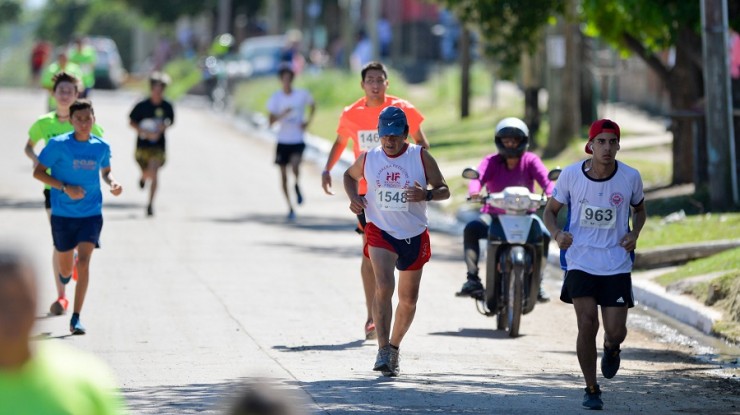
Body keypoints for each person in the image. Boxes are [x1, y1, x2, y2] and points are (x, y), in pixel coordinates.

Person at [321, 61, 430, 340]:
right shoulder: (352, 113)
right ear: (362, 84)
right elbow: (340, 143)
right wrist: (327, 169)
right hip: (369, 195)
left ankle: (384, 317)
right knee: (369, 252)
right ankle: (372, 316)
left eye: (380, 79)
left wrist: (421, 173)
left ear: (387, 83)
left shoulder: (402, 108)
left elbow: (422, 144)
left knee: (398, 261)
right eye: (370, 79)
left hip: (400, 191)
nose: (375, 84)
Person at [542, 119, 646, 410]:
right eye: (601, 142)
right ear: (590, 145)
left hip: (615, 262)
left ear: (618, 146)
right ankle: (591, 388)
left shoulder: (630, 177)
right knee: (587, 323)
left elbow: (640, 211)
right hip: (580, 260)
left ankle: (612, 349)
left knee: (616, 331)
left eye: (613, 142)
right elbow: (550, 211)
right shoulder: (572, 175)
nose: (607, 148)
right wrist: (557, 234)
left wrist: (634, 233)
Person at [343, 106, 450, 377]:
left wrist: (425, 195)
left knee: (409, 299)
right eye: (385, 135)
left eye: (395, 135)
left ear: (405, 134)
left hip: (413, 234)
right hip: (380, 231)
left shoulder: (420, 157)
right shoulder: (369, 158)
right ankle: (382, 351)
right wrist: (355, 198)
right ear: (379, 134)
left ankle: (394, 347)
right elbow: (348, 176)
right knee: (384, 286)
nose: (389, 141)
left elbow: (444, 190)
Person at [33, 99, 123, 335]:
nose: (84, 123)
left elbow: (106, 171)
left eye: (88, 118)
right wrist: (65, 187)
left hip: (91, 214)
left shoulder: (101, 146)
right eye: (79, 119)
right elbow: (38, 172)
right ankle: (66, 271)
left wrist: (113, 183)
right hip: (63, 214)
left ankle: (76, 318)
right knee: (64, 273)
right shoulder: (57, 145)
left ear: (94, 119)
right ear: (71, 121)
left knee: (84, 263)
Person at [0, 248, 126, 414]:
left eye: (23, 303)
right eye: (3, 304)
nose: (12, 316)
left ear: (37, 302)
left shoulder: (86, 380)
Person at [24, 72, 105, 316]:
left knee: (74, 247)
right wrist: (39, 161)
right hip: (54, 191)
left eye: (70, 91)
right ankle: (62, 296)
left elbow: (98, 155)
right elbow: (28, 146)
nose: (65, 94)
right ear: (54, 94)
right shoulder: (44, 123)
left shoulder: (90, 124)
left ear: (77, 94)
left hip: (84, 196)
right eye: (61, 91)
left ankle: (75, 260)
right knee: (59, 244)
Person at [458, 117, 554, 303]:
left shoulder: (531, 160)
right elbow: (477, 178)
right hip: (492, 216)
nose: (510, 144)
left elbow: (547, 180)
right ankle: (472, 278)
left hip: (525, 216)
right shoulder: (491, 161)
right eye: (506, 140)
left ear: (523, 141)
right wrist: (475, 192)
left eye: (515, 140)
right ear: (498, 141)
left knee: (544, 235)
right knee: (471, 228)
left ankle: (538, 282)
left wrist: (551, 193)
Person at [267, 65, 316, 220]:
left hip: (297, 139)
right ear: (281, 80)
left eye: (289, 78)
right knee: (283, 177)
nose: (287, 81)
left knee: (295, 166)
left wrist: (307, 122)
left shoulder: (301, 95)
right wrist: (283, 114)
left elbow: (313, 105)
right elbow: (270, 121)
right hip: (282, 141)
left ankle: (297, 184)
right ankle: (290, 207)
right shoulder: (276, 98)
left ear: (292, 79)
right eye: (284, 79)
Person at [129, 71, 175, 217]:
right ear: (151, 88)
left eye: (161, 88)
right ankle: (143, 178)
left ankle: (150, 204)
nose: (159, 91)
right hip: (142, 146)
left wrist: (163, 127)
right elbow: (131, 121)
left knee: (154, 171)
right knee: (147, 172)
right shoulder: (142, 105)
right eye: (156, 88)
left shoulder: (167, 106)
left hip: (158, 146)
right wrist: (143, 131)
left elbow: (170, 121)